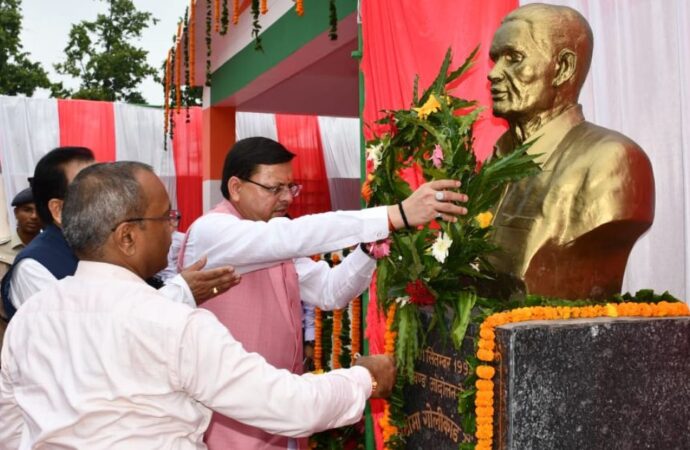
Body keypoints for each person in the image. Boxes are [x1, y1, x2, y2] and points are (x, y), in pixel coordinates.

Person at [0, 161, 396, 448]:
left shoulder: (32, 316)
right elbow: (290, 406)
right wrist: (366, 379)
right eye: (165, 218)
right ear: (127, 237)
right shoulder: (172, 323)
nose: (175, 228)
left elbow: (10, 425)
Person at [180, 136, 468, 449]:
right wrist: (394, 214)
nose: (286, 198)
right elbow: (289, 237)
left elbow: (330, 291)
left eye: (290, 187)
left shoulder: (270, 240)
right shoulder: (213, 233)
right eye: (274, 188)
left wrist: (370, 250)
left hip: (281, 414)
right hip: (227, 425)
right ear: (236, 187)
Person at [486, 3, 654, 300]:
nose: (494, 74)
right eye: (495, 59)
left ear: (563, 68)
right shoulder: (494, 163)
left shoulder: (614, 160)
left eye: (514, 58)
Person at [0, 147, 237, 319]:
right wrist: (181, 293)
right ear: (59, 209)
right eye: (87, 184)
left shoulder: (108, 244)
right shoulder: (34, 267)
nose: (105, 187)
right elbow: (86, 336)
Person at [0, 187, 41, 358]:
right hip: (6, 327)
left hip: (39, 328)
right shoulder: (3, 250)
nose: (33, 216)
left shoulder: (51, 249)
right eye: (27, 210)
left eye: (38, 211)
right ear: (16, 213)